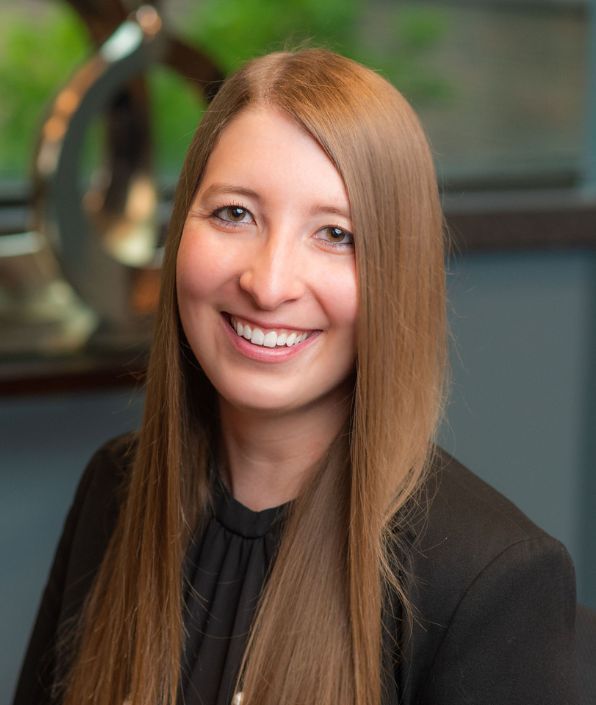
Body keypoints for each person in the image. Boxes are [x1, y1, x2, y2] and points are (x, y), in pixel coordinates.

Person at [13, 48, 576, 705]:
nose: (269, 282)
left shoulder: (488, 579)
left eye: (336, 233)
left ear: (399, 275)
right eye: (234, 214)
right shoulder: (113, 490)